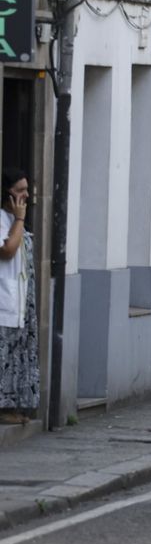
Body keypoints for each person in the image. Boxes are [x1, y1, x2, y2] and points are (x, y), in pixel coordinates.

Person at [0, 168, 37, 424]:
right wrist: (20, 220)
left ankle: (13, 407)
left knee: (17, 356)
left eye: (27, 190)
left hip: (20, 301)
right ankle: (3, 410)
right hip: (4, 299)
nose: (26, 195)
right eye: (20, 190)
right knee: (4, 357)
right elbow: (8, 251)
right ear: (7, 194)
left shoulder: (13, 220)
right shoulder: (7, 220)